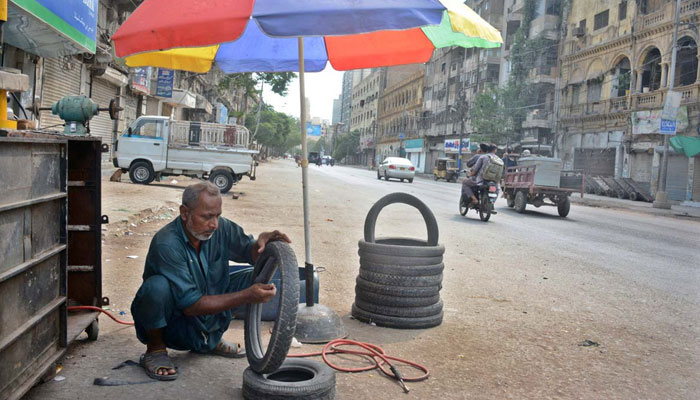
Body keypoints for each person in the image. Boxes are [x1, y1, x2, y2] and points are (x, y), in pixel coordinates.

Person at [130, 182, 290, 381]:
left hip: (206, 316)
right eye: (206, 216)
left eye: (217, 215)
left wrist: (263, 243)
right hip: (177, 325)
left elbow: (250, 251)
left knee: (252, 276)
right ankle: (155, 350)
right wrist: (247, 296)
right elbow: (191, 305)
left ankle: (211, 340)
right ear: (185, 212)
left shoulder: (220, 229)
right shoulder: (167, 243)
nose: (214, 224)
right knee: (156, 288)